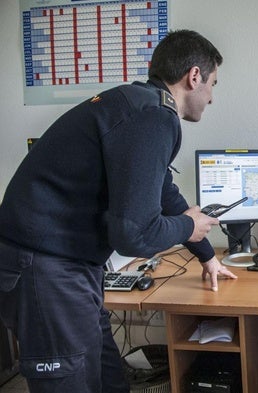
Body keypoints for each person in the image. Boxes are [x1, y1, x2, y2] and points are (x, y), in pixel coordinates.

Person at [0, 30, 237, 393]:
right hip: (44, 267)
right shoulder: (155, 116)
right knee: (73, 384)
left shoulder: (137, 104)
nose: (212, 97)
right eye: (213, 84)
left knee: (109, 379)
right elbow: (135, 234)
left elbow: (162, 192)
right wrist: (187, 226)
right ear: (193, 76)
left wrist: (207, 256)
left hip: (69, 265)